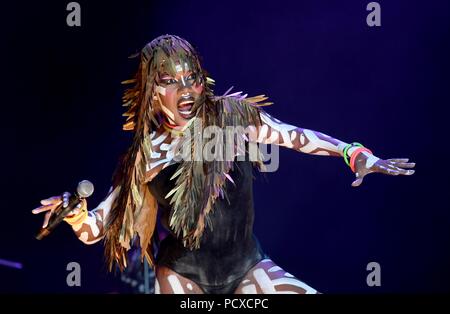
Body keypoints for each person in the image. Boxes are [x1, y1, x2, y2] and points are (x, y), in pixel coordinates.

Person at [32, 35, 415, 294]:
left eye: (191, 77)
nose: (185, 90)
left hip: (246, 266)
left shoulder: (232, 118)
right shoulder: (147, 154)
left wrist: (354, 153)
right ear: (151, 94)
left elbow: (295, 137)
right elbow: (97, 227)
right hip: (183, 279)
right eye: (169, 81)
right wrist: (75, 214)